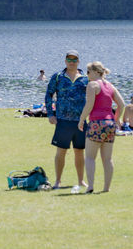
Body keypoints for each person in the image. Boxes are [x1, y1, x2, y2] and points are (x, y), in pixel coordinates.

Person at [76, 61, 124, 194]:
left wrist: (81, 119)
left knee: (90, 157)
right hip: (110, 124)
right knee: (107, 158)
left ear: (96, 72)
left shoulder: (92, 85)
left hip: (96, 123)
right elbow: (122, 104)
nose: (87, 75)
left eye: (88, 72)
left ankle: (90, 186)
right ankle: (106, 188)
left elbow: (89, 105)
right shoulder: (110, 85)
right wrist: (117, 119)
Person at [44, 50, 88, 191]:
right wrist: (51, 114)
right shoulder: (58, 77)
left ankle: (81, 181)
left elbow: (93, 98)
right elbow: (49, 95)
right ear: (65, 61)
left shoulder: (86, 78)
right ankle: (58, 181)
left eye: (74, 60)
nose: (71, 62)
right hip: (62, 120)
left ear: (78, 61)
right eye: (69, 59)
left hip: (80, 121)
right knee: (61, 151)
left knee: (79, 151)